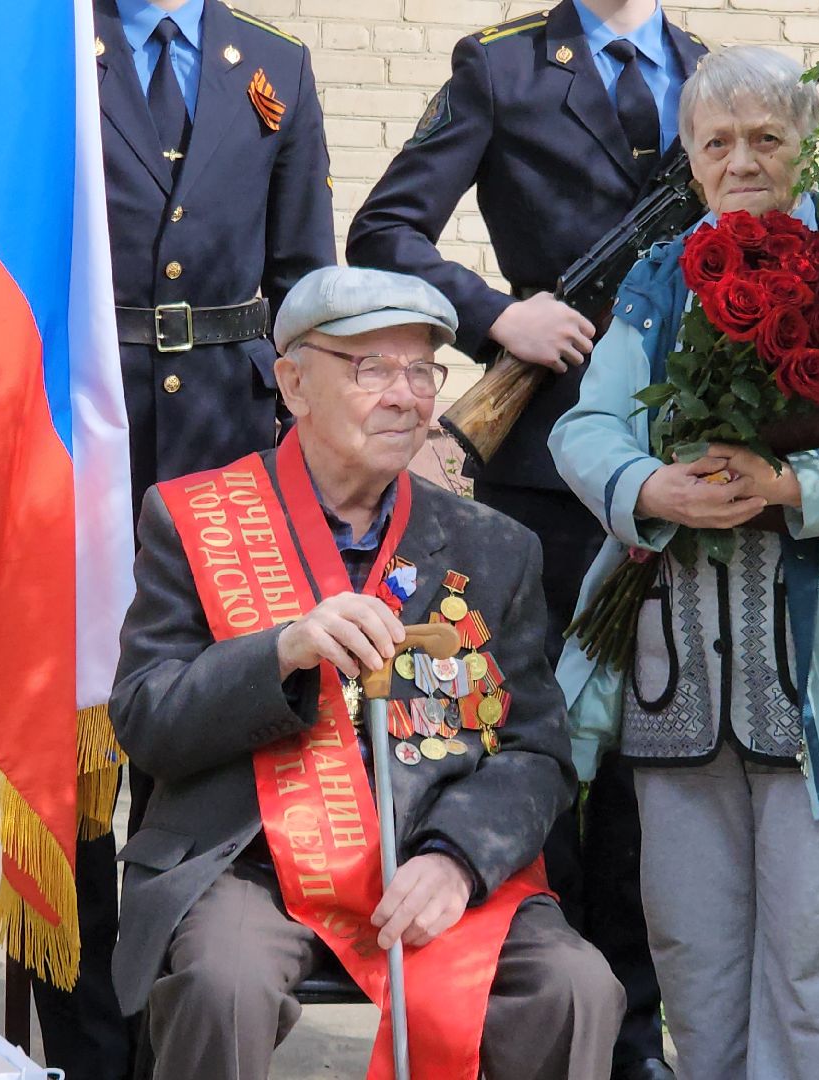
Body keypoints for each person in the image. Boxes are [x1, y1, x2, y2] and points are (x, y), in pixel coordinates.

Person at [550, 46, 819, 1080]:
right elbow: (587, 428)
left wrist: (792, 487)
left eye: (765, 138)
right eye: (716, 143)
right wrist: (654, 490)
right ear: (691, 160)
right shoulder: (658, 280)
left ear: (803, 143)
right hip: (675, 680)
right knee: (694, 965)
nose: (742, 161)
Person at [109, 265, 624, 1079]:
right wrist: (278, 652)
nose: (406, 396)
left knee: (576, 986)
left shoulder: (495, 546)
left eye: (422, 369)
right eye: (371, 368)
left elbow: (536, 752)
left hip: (430, 861)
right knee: (224, 984)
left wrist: (459, 857)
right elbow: (145, 718)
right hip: (248, 864)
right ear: (292, 383)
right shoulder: (196, 517)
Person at [346, 4, 704, 1075]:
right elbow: (384, 232)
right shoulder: (499, 68)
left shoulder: (709, 78)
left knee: (651, 766)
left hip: (680, 472)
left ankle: (628, 1037)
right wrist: (499, 315)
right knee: (537, 752)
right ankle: (536, 1024)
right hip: (543, 476)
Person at [34, 1, 337, 1072]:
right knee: (65, 754)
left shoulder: (273, 65)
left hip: (221, 440)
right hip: (72, 437)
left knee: (190, 734)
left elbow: (305, 279)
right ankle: (82, 1041)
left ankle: (178, 1017)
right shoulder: (52, 44)